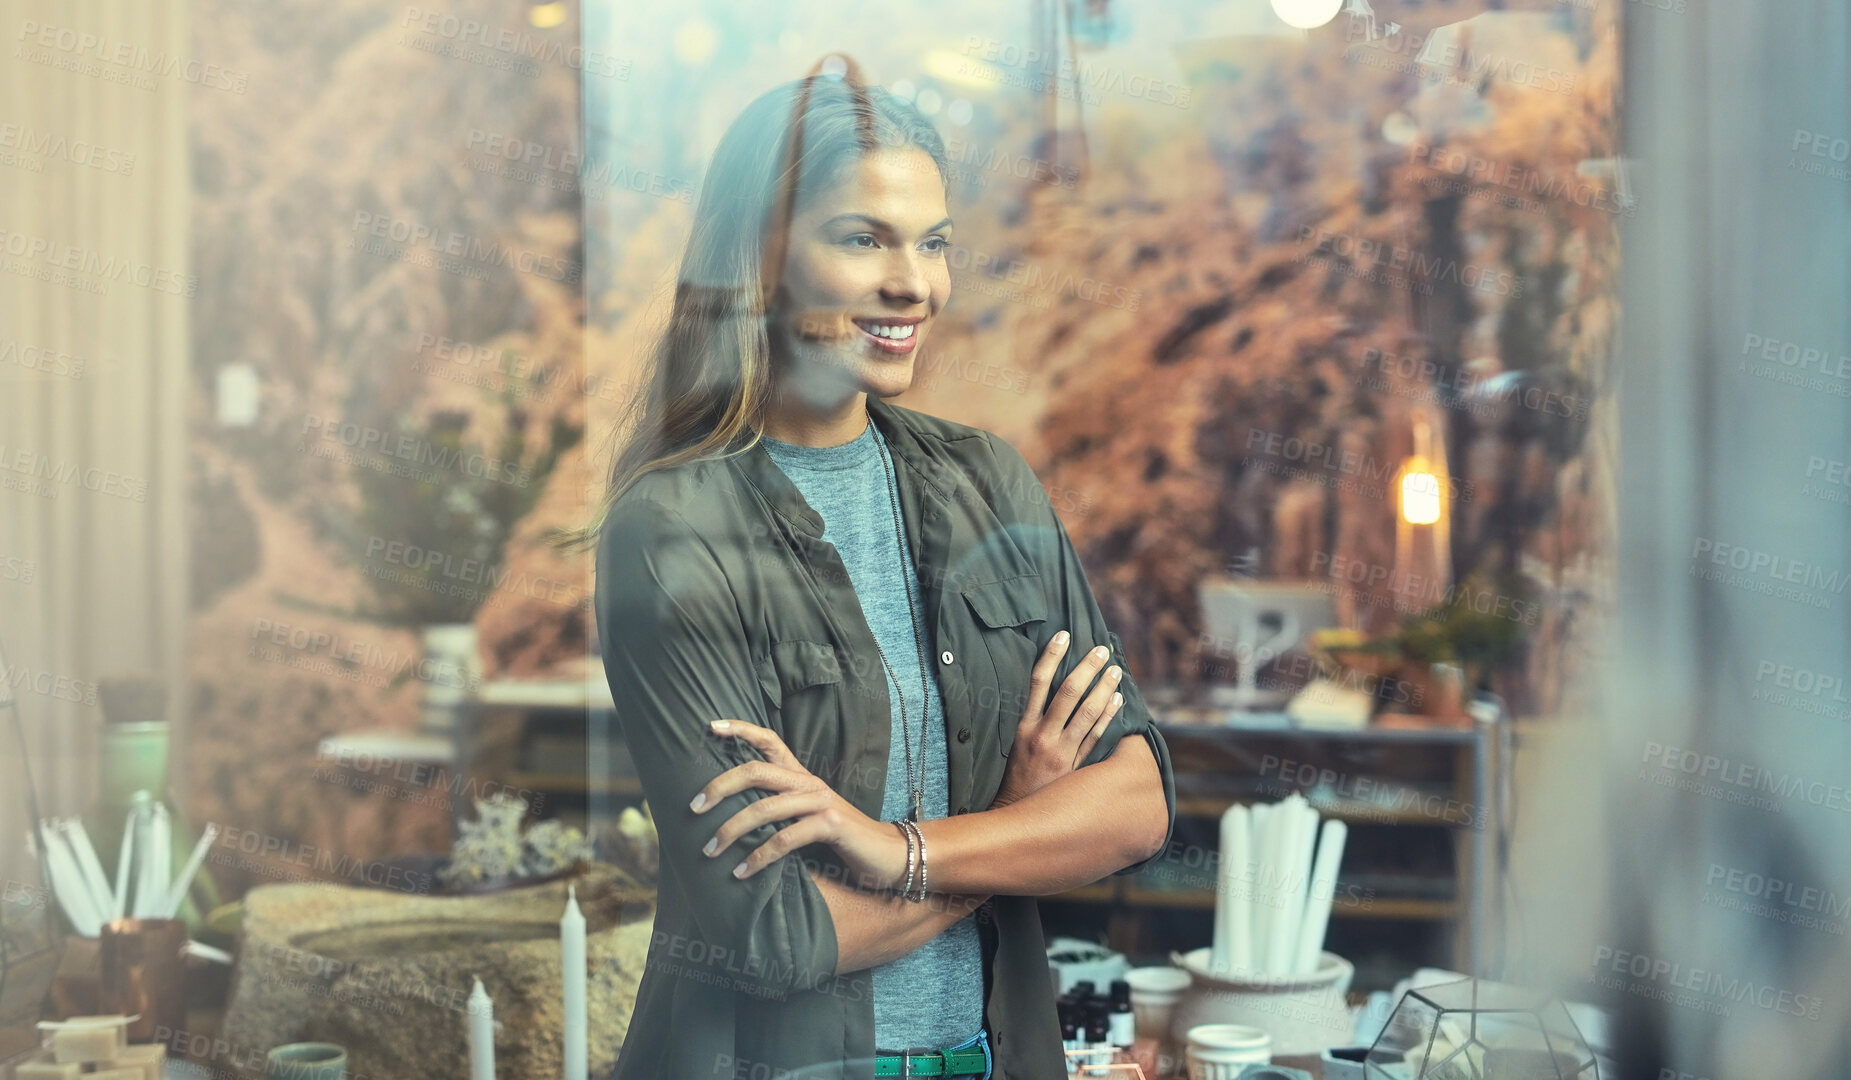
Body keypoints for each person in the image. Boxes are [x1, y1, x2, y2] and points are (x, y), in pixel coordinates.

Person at [573, 68, 1176, 1080]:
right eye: (863, 239)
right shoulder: (673, 529)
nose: (916, 284)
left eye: (933, 242)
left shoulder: (990, 483)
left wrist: (893, 850)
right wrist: (1014, 830)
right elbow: (772, 936)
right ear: (762, 257)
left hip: (991, 1056)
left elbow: (1137, 802)